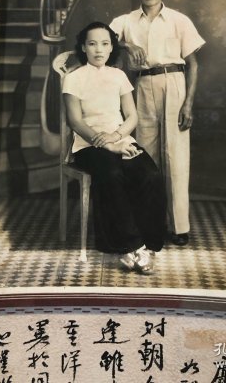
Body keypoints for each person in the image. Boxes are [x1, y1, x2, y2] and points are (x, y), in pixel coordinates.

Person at [110, 0, 205, 246]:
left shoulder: (179, 20)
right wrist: (127, 45)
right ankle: (150, 223)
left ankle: (179, 227)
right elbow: (99, 37)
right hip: (141, 86)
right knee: (145, 157)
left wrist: (188, 104)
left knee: (176, 156)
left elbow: (193, 64)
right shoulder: (126, 21)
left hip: (174, 84)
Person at [62, 21, 166, 274]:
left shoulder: (118, 76)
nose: (99, 49)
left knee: (150, 173)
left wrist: (118, 137)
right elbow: (75, 121)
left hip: (120, 139)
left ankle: (148, 244)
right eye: (92, 44)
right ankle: (131, 246)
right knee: (111, 173)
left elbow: (132, 116)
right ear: (83, 47)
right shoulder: (74, 78)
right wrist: (107, 144)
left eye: (105, 44)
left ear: (111, 48)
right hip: (88, 144)